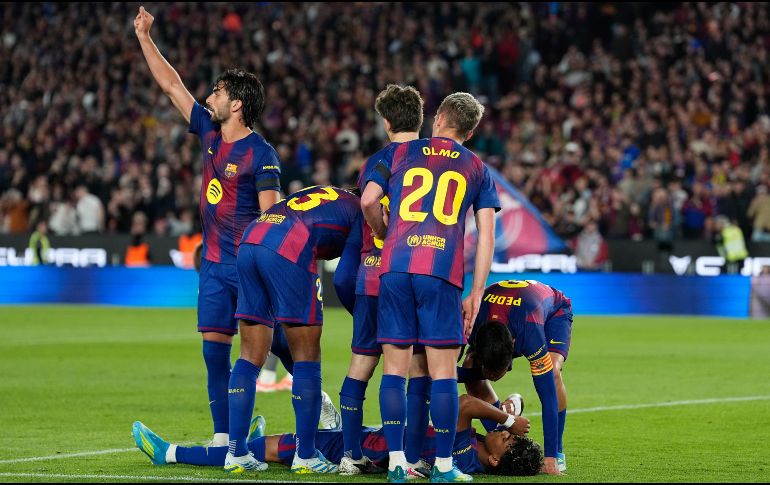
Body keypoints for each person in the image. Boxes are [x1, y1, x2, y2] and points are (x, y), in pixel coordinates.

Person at [134, 6, 281, 450]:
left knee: (272, 351)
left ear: (236, 104)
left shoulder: (262, 154)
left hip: (249, 268)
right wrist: (144, 37)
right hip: (215, 267)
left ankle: (315, 405)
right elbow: (170, 85)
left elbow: (271, 218)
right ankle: (223, 436)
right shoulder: (209, 134)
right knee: (214, 352)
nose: (209, 97)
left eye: (217, 91)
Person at [361, 92, 500, 482]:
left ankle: (397, 465)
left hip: (396, 267)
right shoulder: (477, 168)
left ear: (437, 118)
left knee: (394, 370)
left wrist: (383, 231)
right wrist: (476, 291)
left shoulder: (402, 152)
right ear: (469, 132)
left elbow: (369, 199)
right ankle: (442, 466)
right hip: (441, 271)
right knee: (441, 374)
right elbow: (487, 236)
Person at [225, 185, 362, 474]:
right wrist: (363, 319)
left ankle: (236, 452)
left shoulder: (332, 194)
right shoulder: (363, 210)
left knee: (250, 355)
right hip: (290, 244)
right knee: (307, 354)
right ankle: (307, 455)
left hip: (252, 238)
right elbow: (345, 278)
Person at [334, 84, 432, 477]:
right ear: (420, 120)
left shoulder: (379, 158)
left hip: (369, 276)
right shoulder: (431, 159)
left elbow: (368, 201)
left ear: (387, 122)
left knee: (361, 364)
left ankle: (350, 454)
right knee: (417, 368)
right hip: (411, 275)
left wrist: (377, 229)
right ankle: (409, 457)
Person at [132, 393, 538, 476]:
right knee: (287, 438)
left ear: (497, 457)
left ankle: (170, 454)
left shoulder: (465, 452)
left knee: (267, 449)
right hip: (374, 438)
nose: (505, 435)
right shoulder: (476, 458)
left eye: (507, 441)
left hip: (364, 447)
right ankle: (261, 433)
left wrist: (504, 421)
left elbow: (465, 402)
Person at [458, 279, 573, 475]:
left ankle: (558, 451)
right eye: (489, 371)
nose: (493, 378)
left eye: (498, 371)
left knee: (552, 372)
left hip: (553, 311)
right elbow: (444, 372)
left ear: (513, 350)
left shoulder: (529, 334)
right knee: (469, 363)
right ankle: (500, 429)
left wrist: (550, 456)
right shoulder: (470, 322)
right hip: (493, 315)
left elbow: (547, 397)